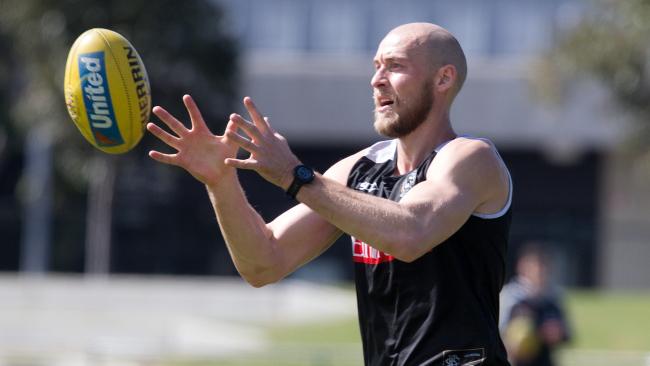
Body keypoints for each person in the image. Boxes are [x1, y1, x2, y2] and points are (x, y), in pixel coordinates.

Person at [147, 22, 513, 366]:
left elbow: (411, 232)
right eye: (376, 67)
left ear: (443, 78)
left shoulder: (471, 158)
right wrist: (220, 182)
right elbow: (264, 261)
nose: (376, 80)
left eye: (395, 66)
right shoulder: (360, 169)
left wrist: (295, 175)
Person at [500, 243, 570, 366]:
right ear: (522, 266)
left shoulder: (553, 298)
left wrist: (557, 333)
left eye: (544, 267)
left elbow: (567, 335)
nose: (540, 272)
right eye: (536, 267)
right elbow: (499, 332)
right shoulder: (510, 297)